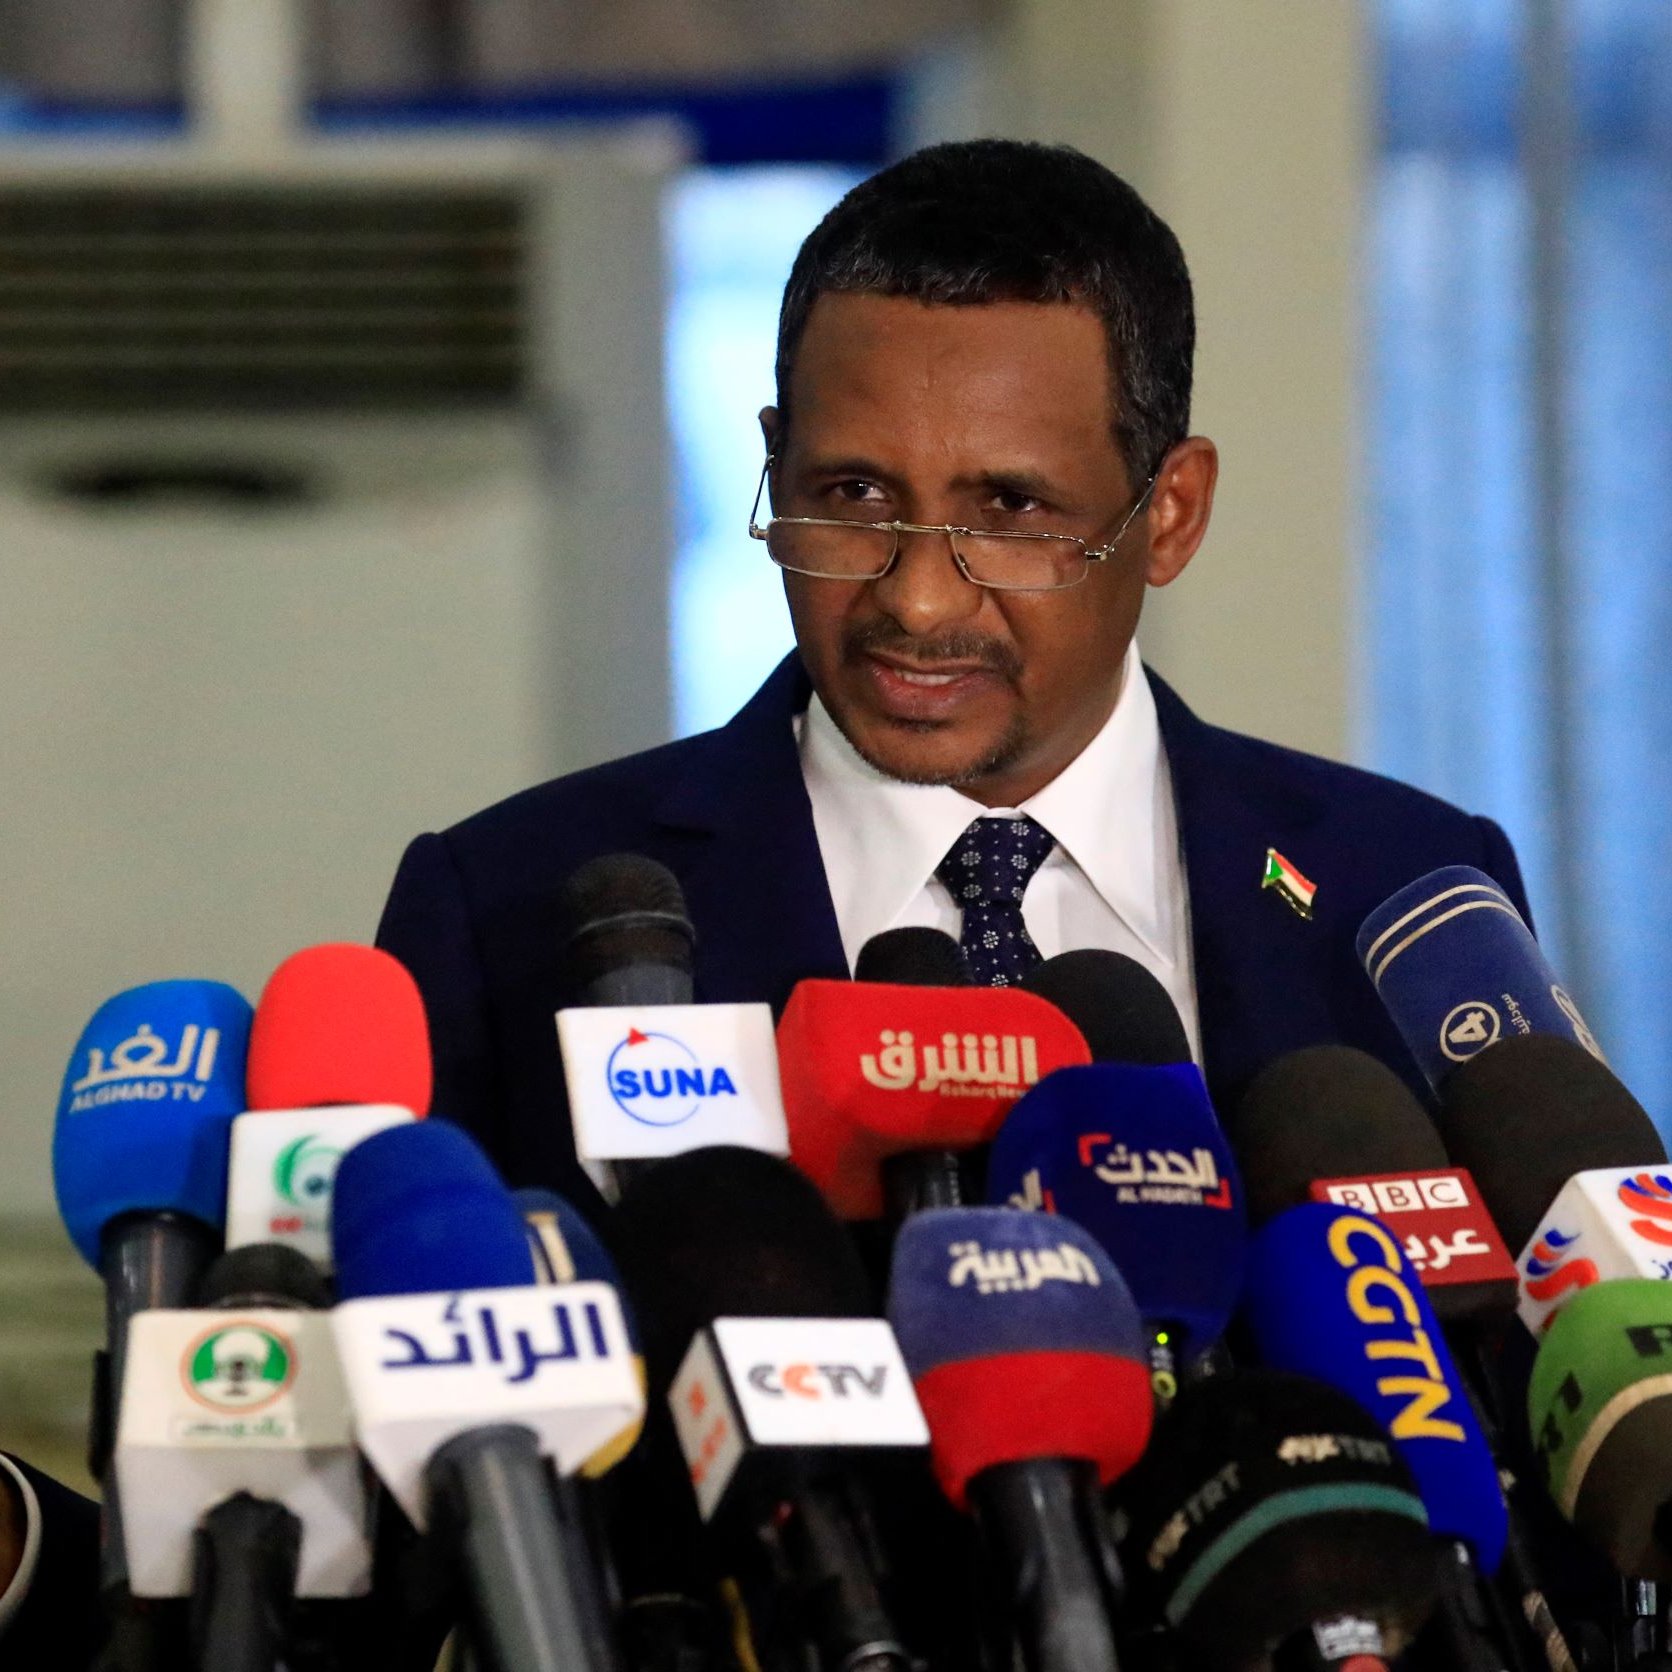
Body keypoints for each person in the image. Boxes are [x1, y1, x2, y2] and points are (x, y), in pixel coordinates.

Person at [0, 138, 1527, 1658]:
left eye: (1009, 511)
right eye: (849, 494)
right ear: (772, 458)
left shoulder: (1401, 888)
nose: (918, 597)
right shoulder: (511, 907)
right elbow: (367, 1545)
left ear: (1171, 513)